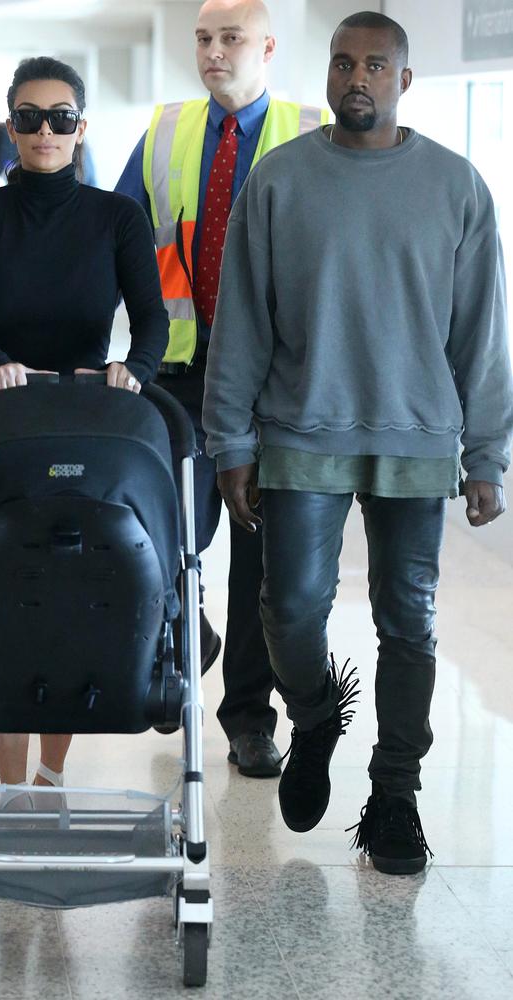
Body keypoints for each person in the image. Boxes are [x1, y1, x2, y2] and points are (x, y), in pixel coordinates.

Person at [203, 10, 513, 873]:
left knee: (407, 621)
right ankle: (312, 718)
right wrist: (230, 439)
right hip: (301, 428)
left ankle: (395, 794)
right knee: (290, 608)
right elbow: (242, 321)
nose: (358, 79)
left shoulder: (457, 186)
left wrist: (487, 453)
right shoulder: (281, 180)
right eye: (344, 63)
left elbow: (481, 332)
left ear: (404, 81)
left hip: (418, 439)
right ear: (328, 73)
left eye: (377, 66)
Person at [0, 56, 168, 788]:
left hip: (88, 422)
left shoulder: (116, 218)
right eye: (30, 117)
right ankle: (11, 788)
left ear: (81, 127)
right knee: (1, 594)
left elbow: (154, 321)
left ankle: (51, 775)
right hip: (3, 421)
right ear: (10, 127)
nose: (46, 130)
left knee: (78, 591)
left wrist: (136, 372)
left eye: (61, 117)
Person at [116, 0, 327, 778]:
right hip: (179, 367)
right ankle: (181, 644)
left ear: (266, 46)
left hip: (274, 380)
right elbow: (120, 234)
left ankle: (246, 720)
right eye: (203, 38)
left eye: (229, 38)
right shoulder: (167, 131)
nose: (212, 52)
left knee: (257, 548)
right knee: (165, 529)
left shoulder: (310, 131)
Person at [0, 118, 98, 197]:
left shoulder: (75, 142)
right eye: (30, 113)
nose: (44, 129)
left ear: (80, 131)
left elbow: (91, 194)